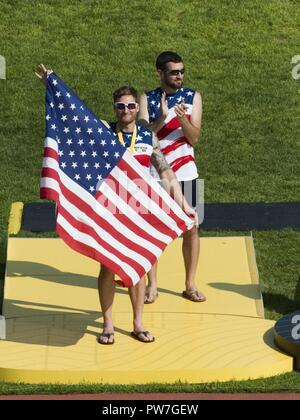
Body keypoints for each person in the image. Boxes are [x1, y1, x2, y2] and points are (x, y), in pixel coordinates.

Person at [36, 65, 197, 344]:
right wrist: (53, 85)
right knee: (108, 267)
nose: (125, 110)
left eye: (131, 106)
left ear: (137, 108)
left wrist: (184, 205)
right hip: (108, 211)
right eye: (120, 106)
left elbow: (166, 173)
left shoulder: (149, 137)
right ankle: (108, 325)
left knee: (137, 266)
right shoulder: (103, 133)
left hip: (139, 210)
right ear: (115, 108)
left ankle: (137, 323)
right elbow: (74, 119)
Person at [138, 51, 206, 304]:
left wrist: (180, 118)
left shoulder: (192, 97)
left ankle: (190, 284)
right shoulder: (146, 98)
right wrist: (162, 117)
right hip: (154, 173)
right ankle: (152, 285)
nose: (179, 76)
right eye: (174, 72)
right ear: (159, 73)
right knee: (153, 228)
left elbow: (194, 138)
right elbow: (143, 136)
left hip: (187, 171)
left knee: (192, 227)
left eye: (182, 71)